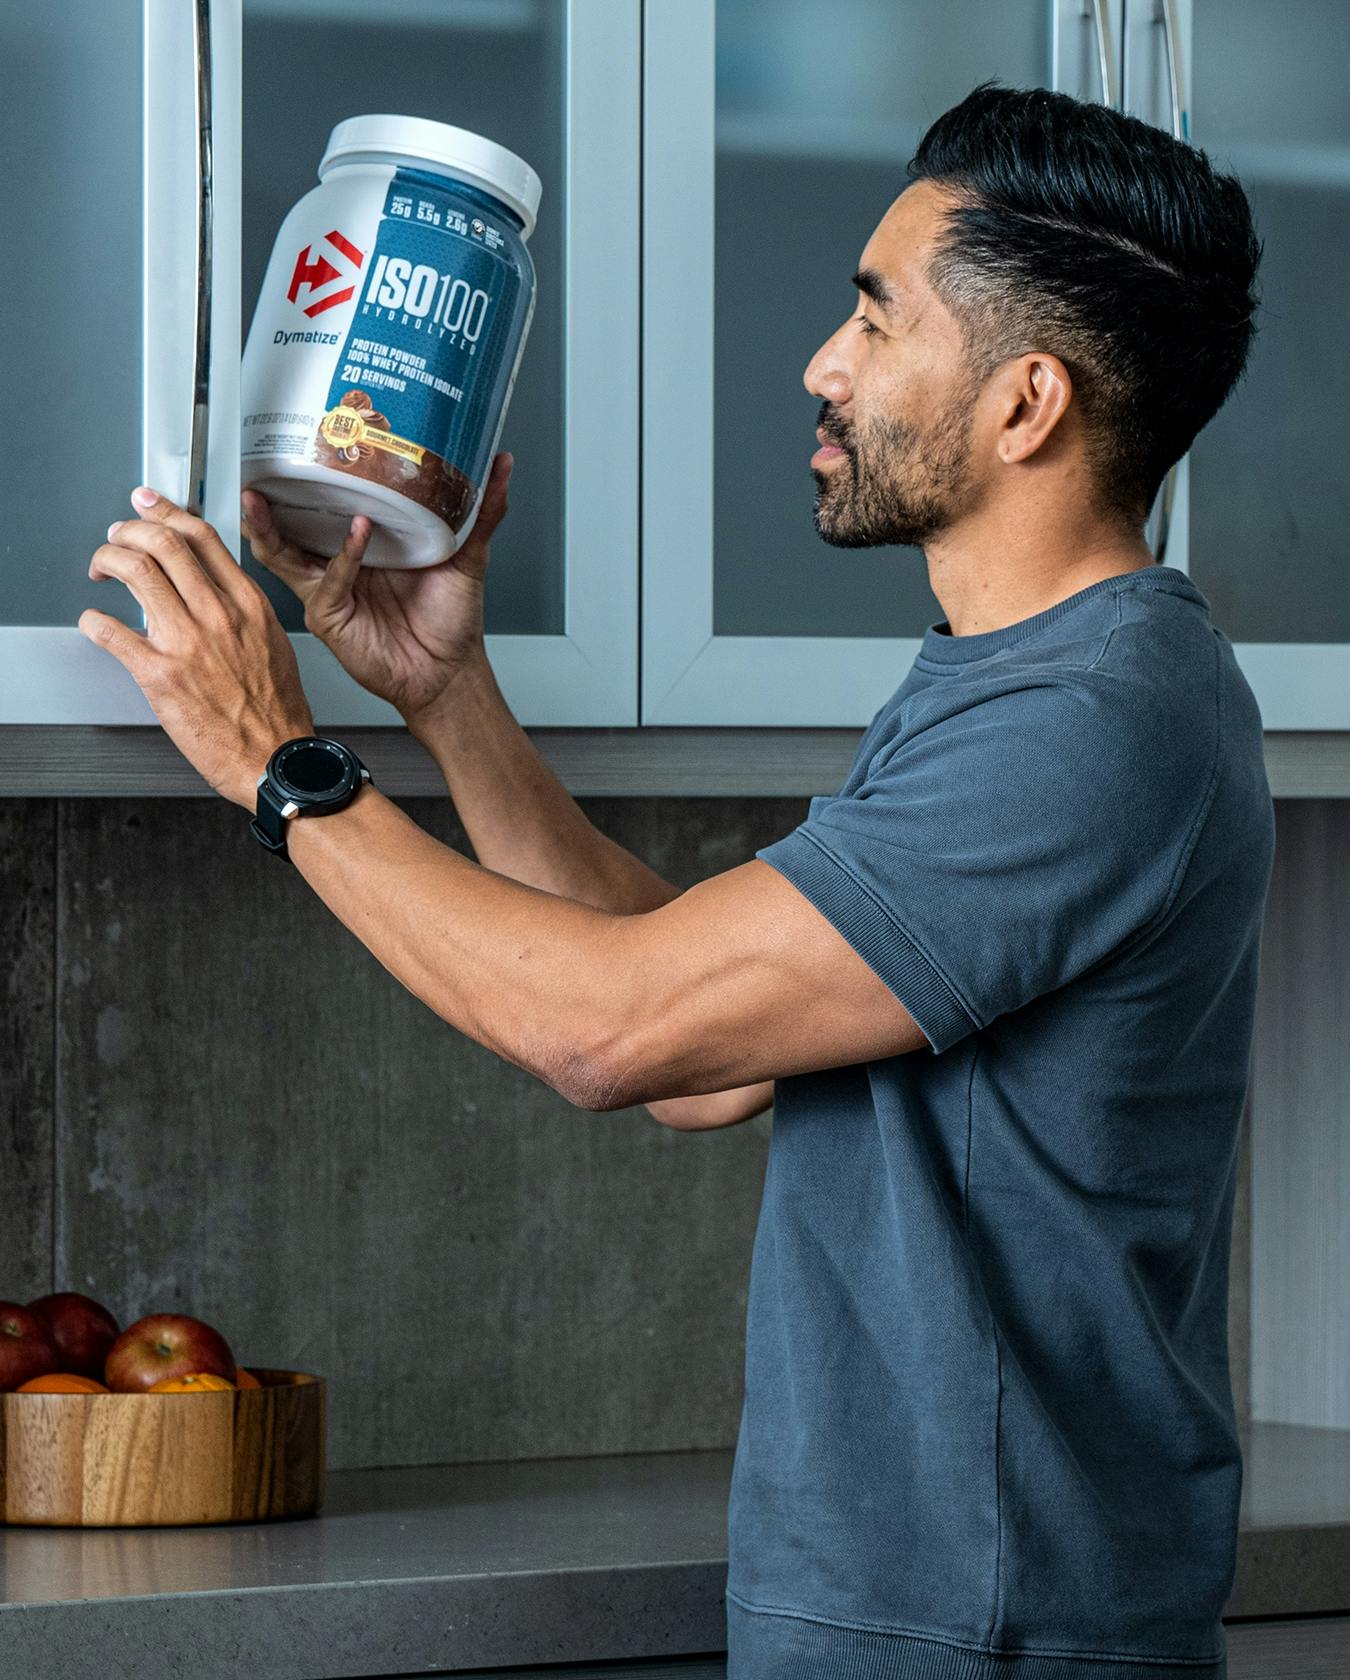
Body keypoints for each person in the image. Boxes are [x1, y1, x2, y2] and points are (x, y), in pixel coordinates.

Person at [80, 80, 1271, 1680]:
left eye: (875, 319)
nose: (822, 366)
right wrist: (447, 696)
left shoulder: (1090, 723)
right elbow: (706, 1053)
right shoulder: (1014, 686)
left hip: (986, 1621)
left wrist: (278, 766)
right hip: (921, 1598)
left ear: (1023, 404)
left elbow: (611, 1034)